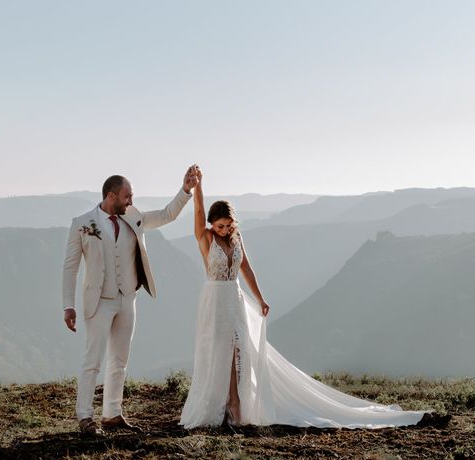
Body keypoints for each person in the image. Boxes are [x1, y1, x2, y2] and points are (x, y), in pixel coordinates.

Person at [180, 166, 429, 429]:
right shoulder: (206, 237)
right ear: (212, 224)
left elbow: (247, 269)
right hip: (215, 300)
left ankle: (236, 402)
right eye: (220, 226)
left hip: (236, 298)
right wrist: (198, 187)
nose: (224, 230)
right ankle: (227, 405)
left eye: (228, 225)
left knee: (240, 350)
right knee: (221, 350)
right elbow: (197, 214)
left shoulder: (236, 238)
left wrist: (261, 298)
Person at [63, 166, 199, 436]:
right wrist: (68, 305)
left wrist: (186, 190)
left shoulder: (133, 217)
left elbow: (167, 215)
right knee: (93, 360)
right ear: (111, 196)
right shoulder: (82, 223)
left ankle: (112, 414)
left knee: (120, 360)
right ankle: (85, 417)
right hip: (98, 301)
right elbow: (70, 267)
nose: (131, 201)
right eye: (127, 196)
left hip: (128, 298)